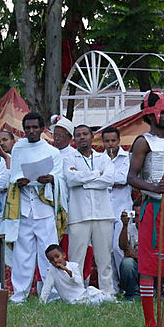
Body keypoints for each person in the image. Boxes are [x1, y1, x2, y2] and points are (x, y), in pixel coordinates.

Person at [126, 91, 164, 327]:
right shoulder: (143, 142)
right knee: (149, 263)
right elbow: (131, 177)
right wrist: (153, 187)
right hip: (153, 208)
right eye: (161, 112)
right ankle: (150, 320)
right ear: (150, 115)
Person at [3, 112, 66, 303]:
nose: (31, 131)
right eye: (28, 128)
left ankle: (50, 293)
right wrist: (18, 181)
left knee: (49, 253)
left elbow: (60, 178)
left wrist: (51, 179)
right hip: (22, 208)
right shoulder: (18, 149)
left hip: (44, 208)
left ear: (42, 129)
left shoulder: (52, 152)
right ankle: (19, 294)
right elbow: (13, 175)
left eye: (35, 127)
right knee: (22, 254)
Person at [63, 124, 117, 296]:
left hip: (103, 214)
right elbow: (71, 180)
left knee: (104, 258)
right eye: (78, 135)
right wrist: (96, 174)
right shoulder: (69, 158)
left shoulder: (103, 158)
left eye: (85, 134)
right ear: (74, 139)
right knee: (76, 258)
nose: (82, 137)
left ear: (92, 136)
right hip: (79, 215)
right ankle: (75, 292)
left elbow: (109, 179)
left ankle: (107, 292)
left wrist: (84, 179)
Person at [102, 126, 132, 293]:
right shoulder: (99, 158)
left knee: (119, 248)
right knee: (106, 250)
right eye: (107, 141)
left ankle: (127, 285)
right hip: (105, 211)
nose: (110, 144)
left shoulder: (127, 158)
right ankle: (112, 287)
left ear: (119, 141)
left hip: (123, 211)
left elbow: (123, 178)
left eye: (113, 140)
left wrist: (103, 178)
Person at [40, 244, 115, 305]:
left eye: (57, 256)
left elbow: (79, 283)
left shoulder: (73, 266)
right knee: (92, 303)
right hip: (73, 300)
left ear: (64, 255)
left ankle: (116, 302)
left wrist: (68, 271)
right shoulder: (52, 271)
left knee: (100, 296)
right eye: (52, 260)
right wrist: (41, 303)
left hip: (83, 294)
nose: (56, 260)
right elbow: (46, 288)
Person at [117, 201, 141, 300]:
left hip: (150, 265)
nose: (138, 218)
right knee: (127, 263)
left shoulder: (154, 229)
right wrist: (125, 225)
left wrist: (135, 255)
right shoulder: (130, 228)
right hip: (135, 267)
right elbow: (122, 246)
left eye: (141, 215)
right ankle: (132, 294)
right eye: (136, 215)